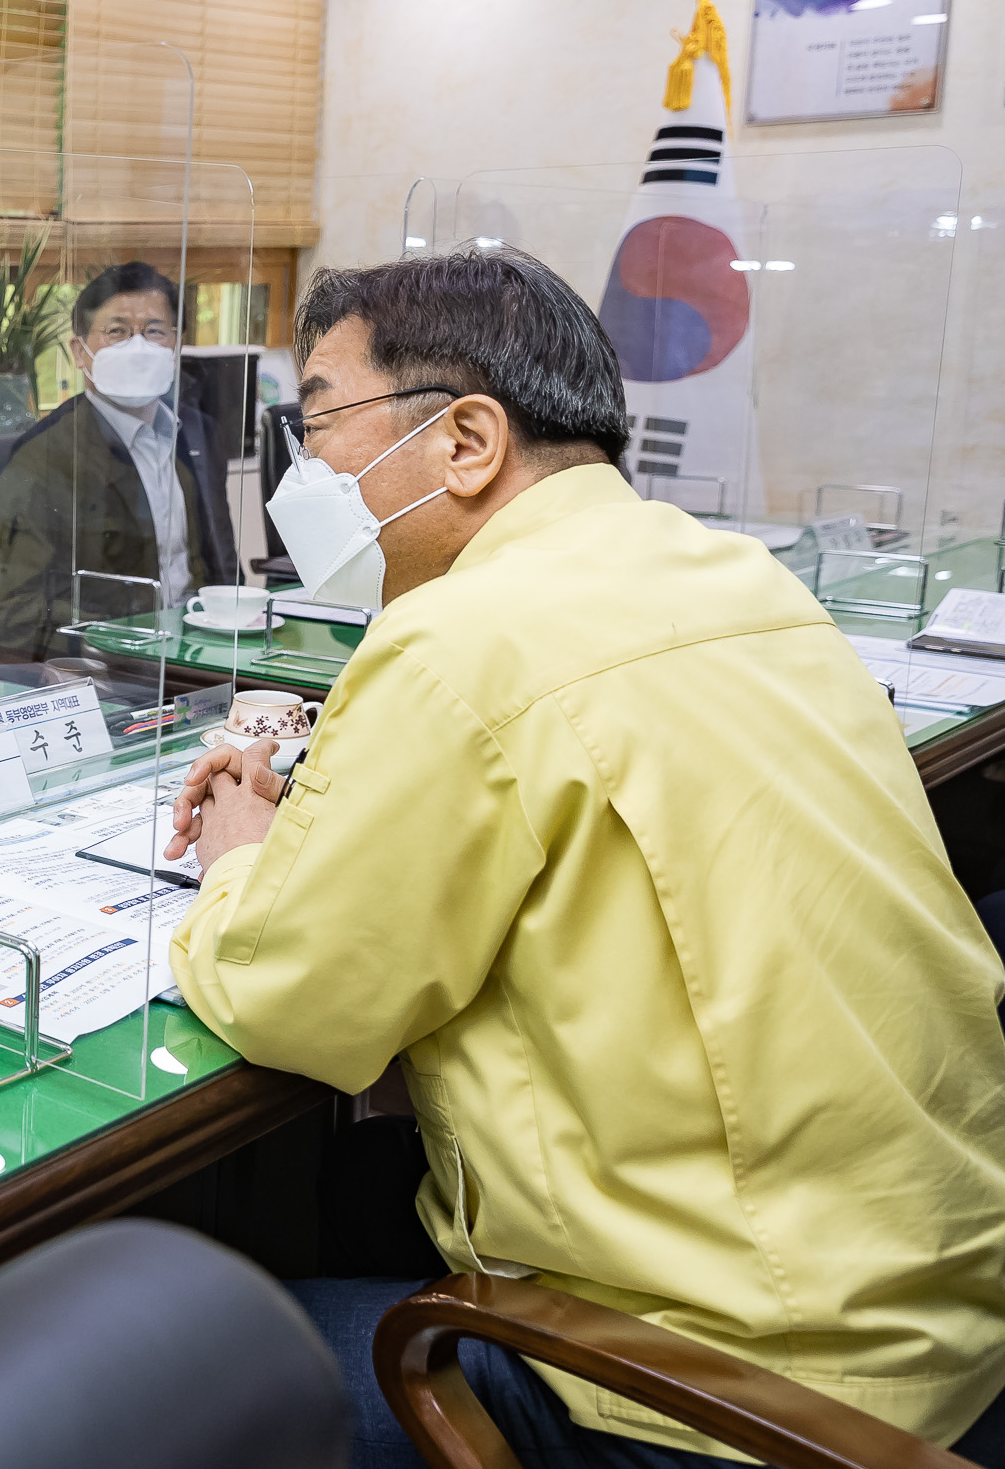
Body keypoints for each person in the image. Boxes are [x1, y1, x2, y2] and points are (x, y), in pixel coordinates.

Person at [162, 248, 1005, 1467]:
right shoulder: (736, 575)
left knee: (199, 1352)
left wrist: (239, 855)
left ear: (466, 441)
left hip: (725, 1389)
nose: (306, 476)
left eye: (319, 424)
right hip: (941, 1313)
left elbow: (291, 999)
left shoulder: (462, 636)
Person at [0, 260, 237, 661]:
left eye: (154, 331)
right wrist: (92, 651)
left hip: (197, 653)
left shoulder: (196, 435)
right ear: (80, 351)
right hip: (108, 663)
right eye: (117, 332)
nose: (138, 346)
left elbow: (219, 565)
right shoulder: (46, 456)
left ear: (176, 345)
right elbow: (8, 608)